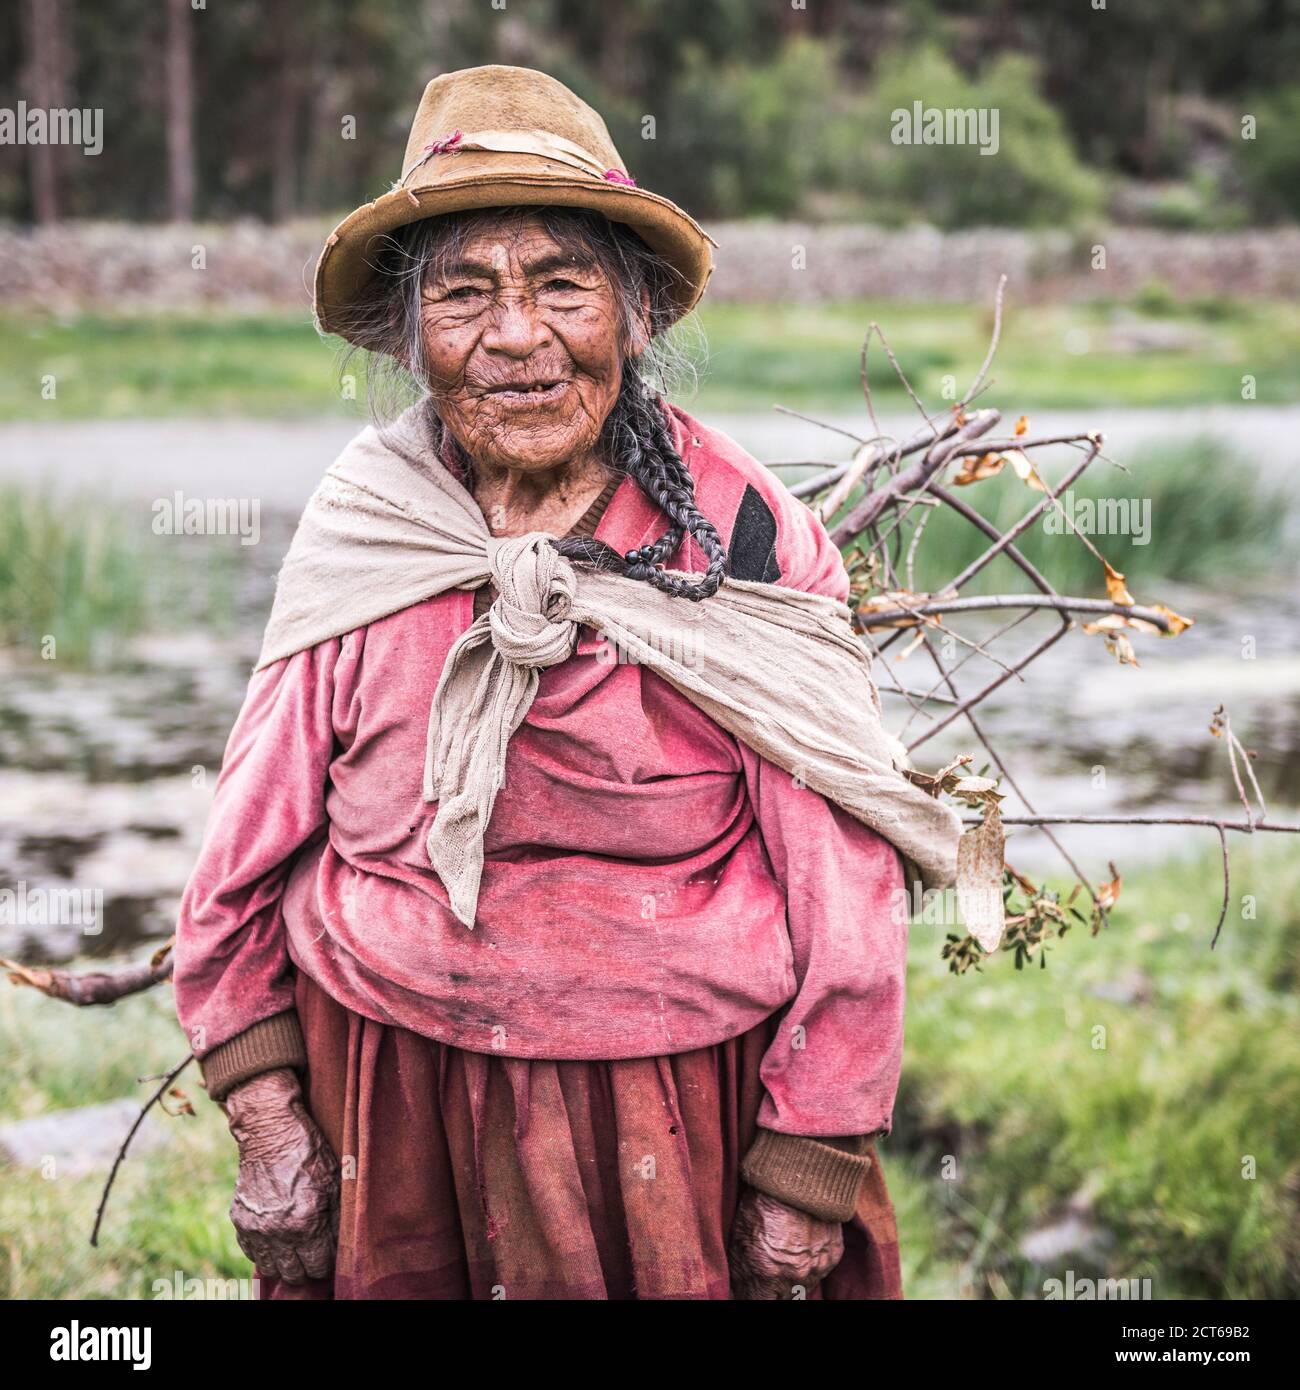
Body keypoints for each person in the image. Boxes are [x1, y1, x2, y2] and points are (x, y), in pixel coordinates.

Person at [174, 63, 959, 1301]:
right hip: (396, 1100)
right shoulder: (370, 527)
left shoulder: (739, 538)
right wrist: (269, 1122)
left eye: (561, 285)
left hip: (680, 1110)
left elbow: (846, 887)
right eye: (466, 294)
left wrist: (808, 1159)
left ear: (636, 313)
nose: (517, 338)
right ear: (407, 330)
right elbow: (241, 852)